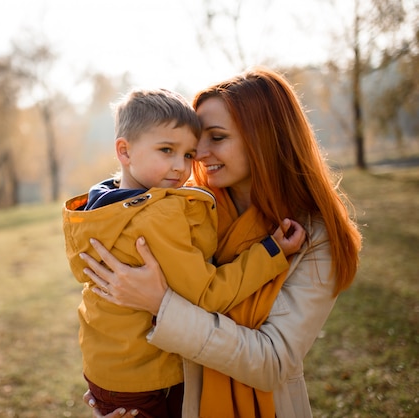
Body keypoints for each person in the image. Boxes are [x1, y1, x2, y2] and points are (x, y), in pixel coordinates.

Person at [80, 68, 362, 418]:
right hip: (169, 400)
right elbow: (110, 310)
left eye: (217, 137)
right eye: (196, 140)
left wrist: (160, 303)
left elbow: (272, 362)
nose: (197, 154)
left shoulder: (313, 236)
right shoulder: (187, 210)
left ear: (264, 139)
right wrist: (115, 391)